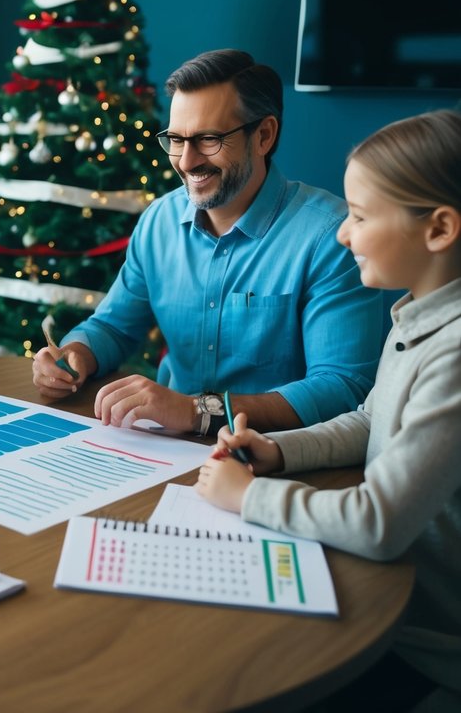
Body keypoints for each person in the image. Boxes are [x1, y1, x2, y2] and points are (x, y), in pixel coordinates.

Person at [197, 109, 461, 709]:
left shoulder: (454, 356)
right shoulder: (418, 318)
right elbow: (371, 419)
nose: (343, 234)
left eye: (361, 218)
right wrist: (280, 449)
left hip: (426, 644)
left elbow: (379, 524)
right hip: (397, 606)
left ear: (439, 229)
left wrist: (247, 497)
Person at [33, 49, 380, 436]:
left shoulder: (329, 237)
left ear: (263, 135)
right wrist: (76, 354)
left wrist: (198, 411)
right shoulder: (159, 223)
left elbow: (342, 387)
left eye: (208, 139)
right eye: (177, 139)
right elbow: (113, 327)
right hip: (165, 447)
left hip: (275, 460)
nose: (185, 161)